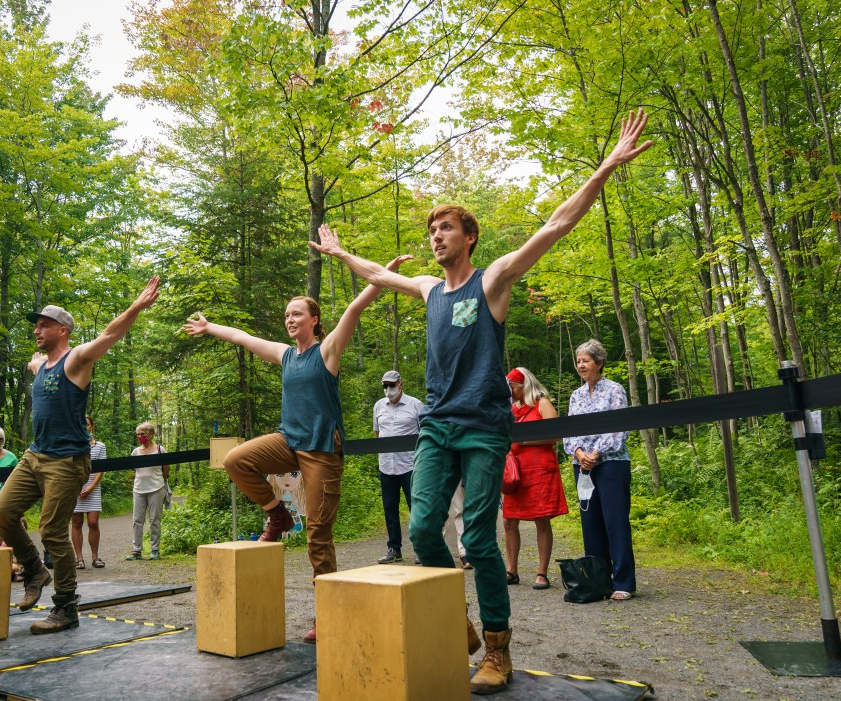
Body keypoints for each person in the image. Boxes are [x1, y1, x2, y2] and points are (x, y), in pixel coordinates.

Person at [311, 110, 651, 693]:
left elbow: (554, 225)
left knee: (475, 539)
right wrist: (342, 255)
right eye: (431, 230)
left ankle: (498, 647)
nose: (436, 236)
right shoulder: (426, 290)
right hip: (437, 426)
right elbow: (376, 273)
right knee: (421, 531)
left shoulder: (491, 280)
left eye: (445, 229)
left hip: (485, 427)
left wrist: (603, 170)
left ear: (468, 238)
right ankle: (455, 619)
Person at [184, 255, 410, 644]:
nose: (290, 320)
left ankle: (326, 615)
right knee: (237, 459)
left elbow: (355, 307)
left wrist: (381, 274)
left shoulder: (328, 352)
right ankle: (278, 517)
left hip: (322, 450)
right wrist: (209, 327)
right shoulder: (285, 355)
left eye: (297, 314)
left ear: (314, 320)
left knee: (318, 533)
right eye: (287, 315)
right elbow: (242, 337)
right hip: (289, 442)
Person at [0, 276, 161, 635]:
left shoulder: (77, 360)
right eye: (36, 325)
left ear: (63, 330)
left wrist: (137, 306)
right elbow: (38, 368)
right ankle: (35, 570)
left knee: (52, 530)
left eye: (44, 325)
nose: (37, 330)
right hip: (35, 456)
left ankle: (66, 607)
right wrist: (34, 365)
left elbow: (111, 334)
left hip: (66, 461)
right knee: (1, 514)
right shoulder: (44, 366)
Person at [564, 339, 635, 601]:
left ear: (599, 363)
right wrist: (579, 453)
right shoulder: (576, 395)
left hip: (611, 463)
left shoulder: (614, 390)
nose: (581, 365)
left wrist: (596, 454)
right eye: (579, 361)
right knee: (590, 523)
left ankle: (624, 582)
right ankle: (598, 581)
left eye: (586, 361)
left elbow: (620, 428)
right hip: (582, 465)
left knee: (615, 522)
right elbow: (569, 432)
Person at [503, 367, 567, 590]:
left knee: (541, 519)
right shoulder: (510, 409)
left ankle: (542, 572)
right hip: (514, 474)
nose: (510, 391)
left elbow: (557, 433)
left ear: (524, 385)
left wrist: (526, 440)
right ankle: (511, 570)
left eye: (512, 387)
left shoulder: (542, 403)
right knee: (509, 520)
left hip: (539, 470)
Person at [373, 370, 423, 565]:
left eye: (391, 385)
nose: (388, 389)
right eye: (385, 385)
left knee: (417, 508)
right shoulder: (379, 406)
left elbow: (425, 434)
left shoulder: (416, 405)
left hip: (410, 465)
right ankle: (394, 549)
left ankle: (421, 548)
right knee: (390, 509)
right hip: (387, 465)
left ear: (400, 384)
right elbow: (377, 434)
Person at [125, 421, 169, 561]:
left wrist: (158, 481)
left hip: (156, 488)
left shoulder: (160, 450)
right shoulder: (135, 452)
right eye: (138, 434)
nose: (140, 437)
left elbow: (166, 469)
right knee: (137, 520)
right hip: (138, 488)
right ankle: (136, 551)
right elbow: (133, 468)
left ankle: (155, 550)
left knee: (154, 520)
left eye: (142, 434)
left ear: (150, 434)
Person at [72, 415, 106, 569]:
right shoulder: (72, 445)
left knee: (93, 522)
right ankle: (79, 559)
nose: (84, 426)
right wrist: (77, 486)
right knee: (76, 522)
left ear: (92, 426)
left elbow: (101, 468)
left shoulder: (100, 446)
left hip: (93, 487)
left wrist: (91, 486)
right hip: (75, 488)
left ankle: (95, 557)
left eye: (86, 424)